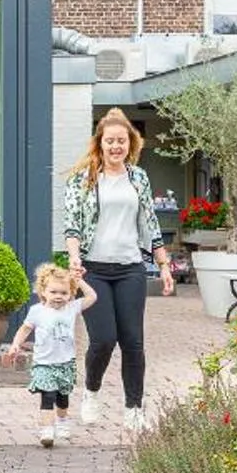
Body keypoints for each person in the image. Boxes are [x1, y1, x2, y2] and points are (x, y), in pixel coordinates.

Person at [60, 107, 175, 432]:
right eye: (110, 141)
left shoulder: (138, 177)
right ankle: (92, 391)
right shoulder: (82, 179)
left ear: (130, 143)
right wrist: (74, 259)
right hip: (93, 270)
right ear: (100, 143)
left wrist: (164, 266)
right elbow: (72, 226)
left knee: (133, 342)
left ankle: (133, 408)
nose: (115, 147)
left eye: (121, 141)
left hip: (130, 270)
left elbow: (151, 225)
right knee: (103, 340)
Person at [6, 261, 97, 447]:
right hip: (44, 363)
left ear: (70, 294)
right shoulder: (37, 311)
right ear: (43, 292)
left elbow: (92, 297)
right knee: (47, 396)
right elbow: (25, 329)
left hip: (65, 363)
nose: (58, 296)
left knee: (62, 398)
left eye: (63, 293)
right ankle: (47, 430)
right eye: (53, 292)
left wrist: (78, 281)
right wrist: (15, 344)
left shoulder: (71, 308)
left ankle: (62, 420)